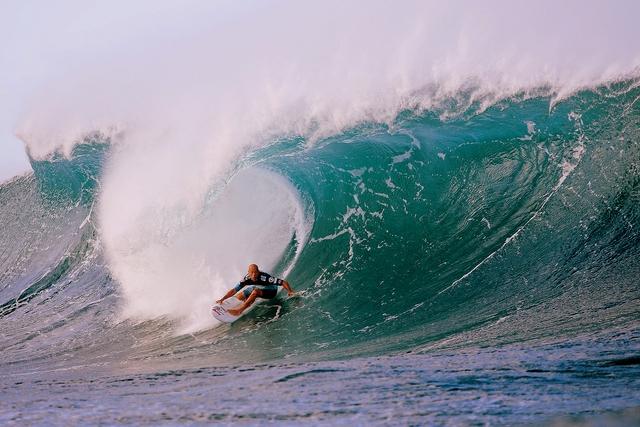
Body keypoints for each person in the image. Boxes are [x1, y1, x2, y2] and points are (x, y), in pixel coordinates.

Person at [216, 264, 295, 316]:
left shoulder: (265, 277)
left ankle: (240, 310)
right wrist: (222, 299)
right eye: (252, 272)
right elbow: (234, 290)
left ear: (258, 272)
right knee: (243, 293)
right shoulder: (246, 279)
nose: (254, 275)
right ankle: (234, 303)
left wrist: (290, 291)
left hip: (271, 290)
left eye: (255, 272)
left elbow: (283, 282)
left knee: (255, 291)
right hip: (259, 287)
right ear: (248, 273)